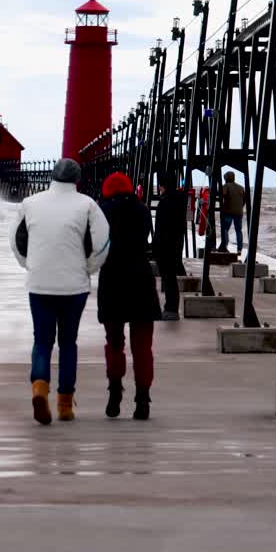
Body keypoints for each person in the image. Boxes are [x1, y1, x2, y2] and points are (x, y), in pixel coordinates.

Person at [10, 158, 110, 425]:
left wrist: (29, 265)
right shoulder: (87, 204)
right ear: (77, 179)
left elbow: (16, 240)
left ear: (53, 176)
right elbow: (102, 242)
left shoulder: (30, 203)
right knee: (68, 343)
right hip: (73, 286)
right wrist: (88, 268)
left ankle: (39, 388)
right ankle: (65, 404)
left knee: (42, 341)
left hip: (39, 283)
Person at [96, 171, 159, 420]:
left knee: (114, 343)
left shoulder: (101, 212)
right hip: (141, 280)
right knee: (143, 346)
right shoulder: (142, 210)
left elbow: (96, 243)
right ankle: (142, 399)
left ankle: (114, 393)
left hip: (112, 280)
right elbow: (145, 239)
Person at [154, 172, 186, 321]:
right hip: (176, 243)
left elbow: (161, 227)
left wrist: (155, 246)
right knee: (170, 277)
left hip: (165, 245)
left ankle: (171, 309)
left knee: (168, 278)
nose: (159, 187)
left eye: (160, 184)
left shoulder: (165, 201)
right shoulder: (180, 199)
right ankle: (171, 308)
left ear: (163, 185)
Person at [218, 170, 245, 254]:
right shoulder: (241, 187)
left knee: (225, 229)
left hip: (228, 211)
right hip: (239, 212)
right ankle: (239, 249)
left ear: (225, 178)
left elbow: (220, 195)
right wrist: (240, 207)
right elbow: (244, 200)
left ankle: (224, 245)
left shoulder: (226, 186)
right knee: (238, 230)